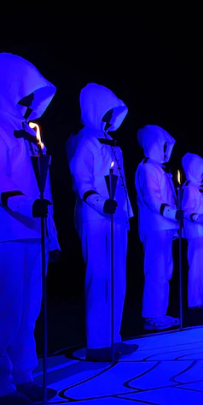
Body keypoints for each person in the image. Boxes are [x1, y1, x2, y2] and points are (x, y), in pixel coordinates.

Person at [0, 53, 58, 405]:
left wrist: (51, 235)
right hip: (7, 232)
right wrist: (25, 205)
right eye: (24, 94)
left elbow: (45, 190)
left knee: (28, 310)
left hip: (34, 233)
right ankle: (2, 385)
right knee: (6, 310)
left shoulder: (32, 137)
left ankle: (24, 375)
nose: (30, 102)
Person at [67, 83, 137, 362]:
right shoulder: (86, 141)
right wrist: (99, 202)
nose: (111, 116)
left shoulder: (111, 143)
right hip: (95, 218)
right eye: (107, 111)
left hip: (116, 217)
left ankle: (113, 337)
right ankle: (97, 343)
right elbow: (81, 180)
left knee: (117, 279)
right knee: (98, 278)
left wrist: (124, 212)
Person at [135, 125, 182, 331]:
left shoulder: (159, 169)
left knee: (164, 270)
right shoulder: (147, 168)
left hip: (164, 227)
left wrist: (174, 223)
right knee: (155, 270)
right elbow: (152, 198)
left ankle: (159, 313)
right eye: (162, 145)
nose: (165, 150)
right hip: (155, 227)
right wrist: (172, 214)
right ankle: (152, 315)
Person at [181, 153, 203, 309]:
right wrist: (201, 217)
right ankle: (195, 300)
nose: (202, 176)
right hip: (195, 232)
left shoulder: (197, 188)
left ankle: (202, 297)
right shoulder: (189, 188)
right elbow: (187, 211)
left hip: (202, 232)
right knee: (196, 265)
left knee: (202, 266)